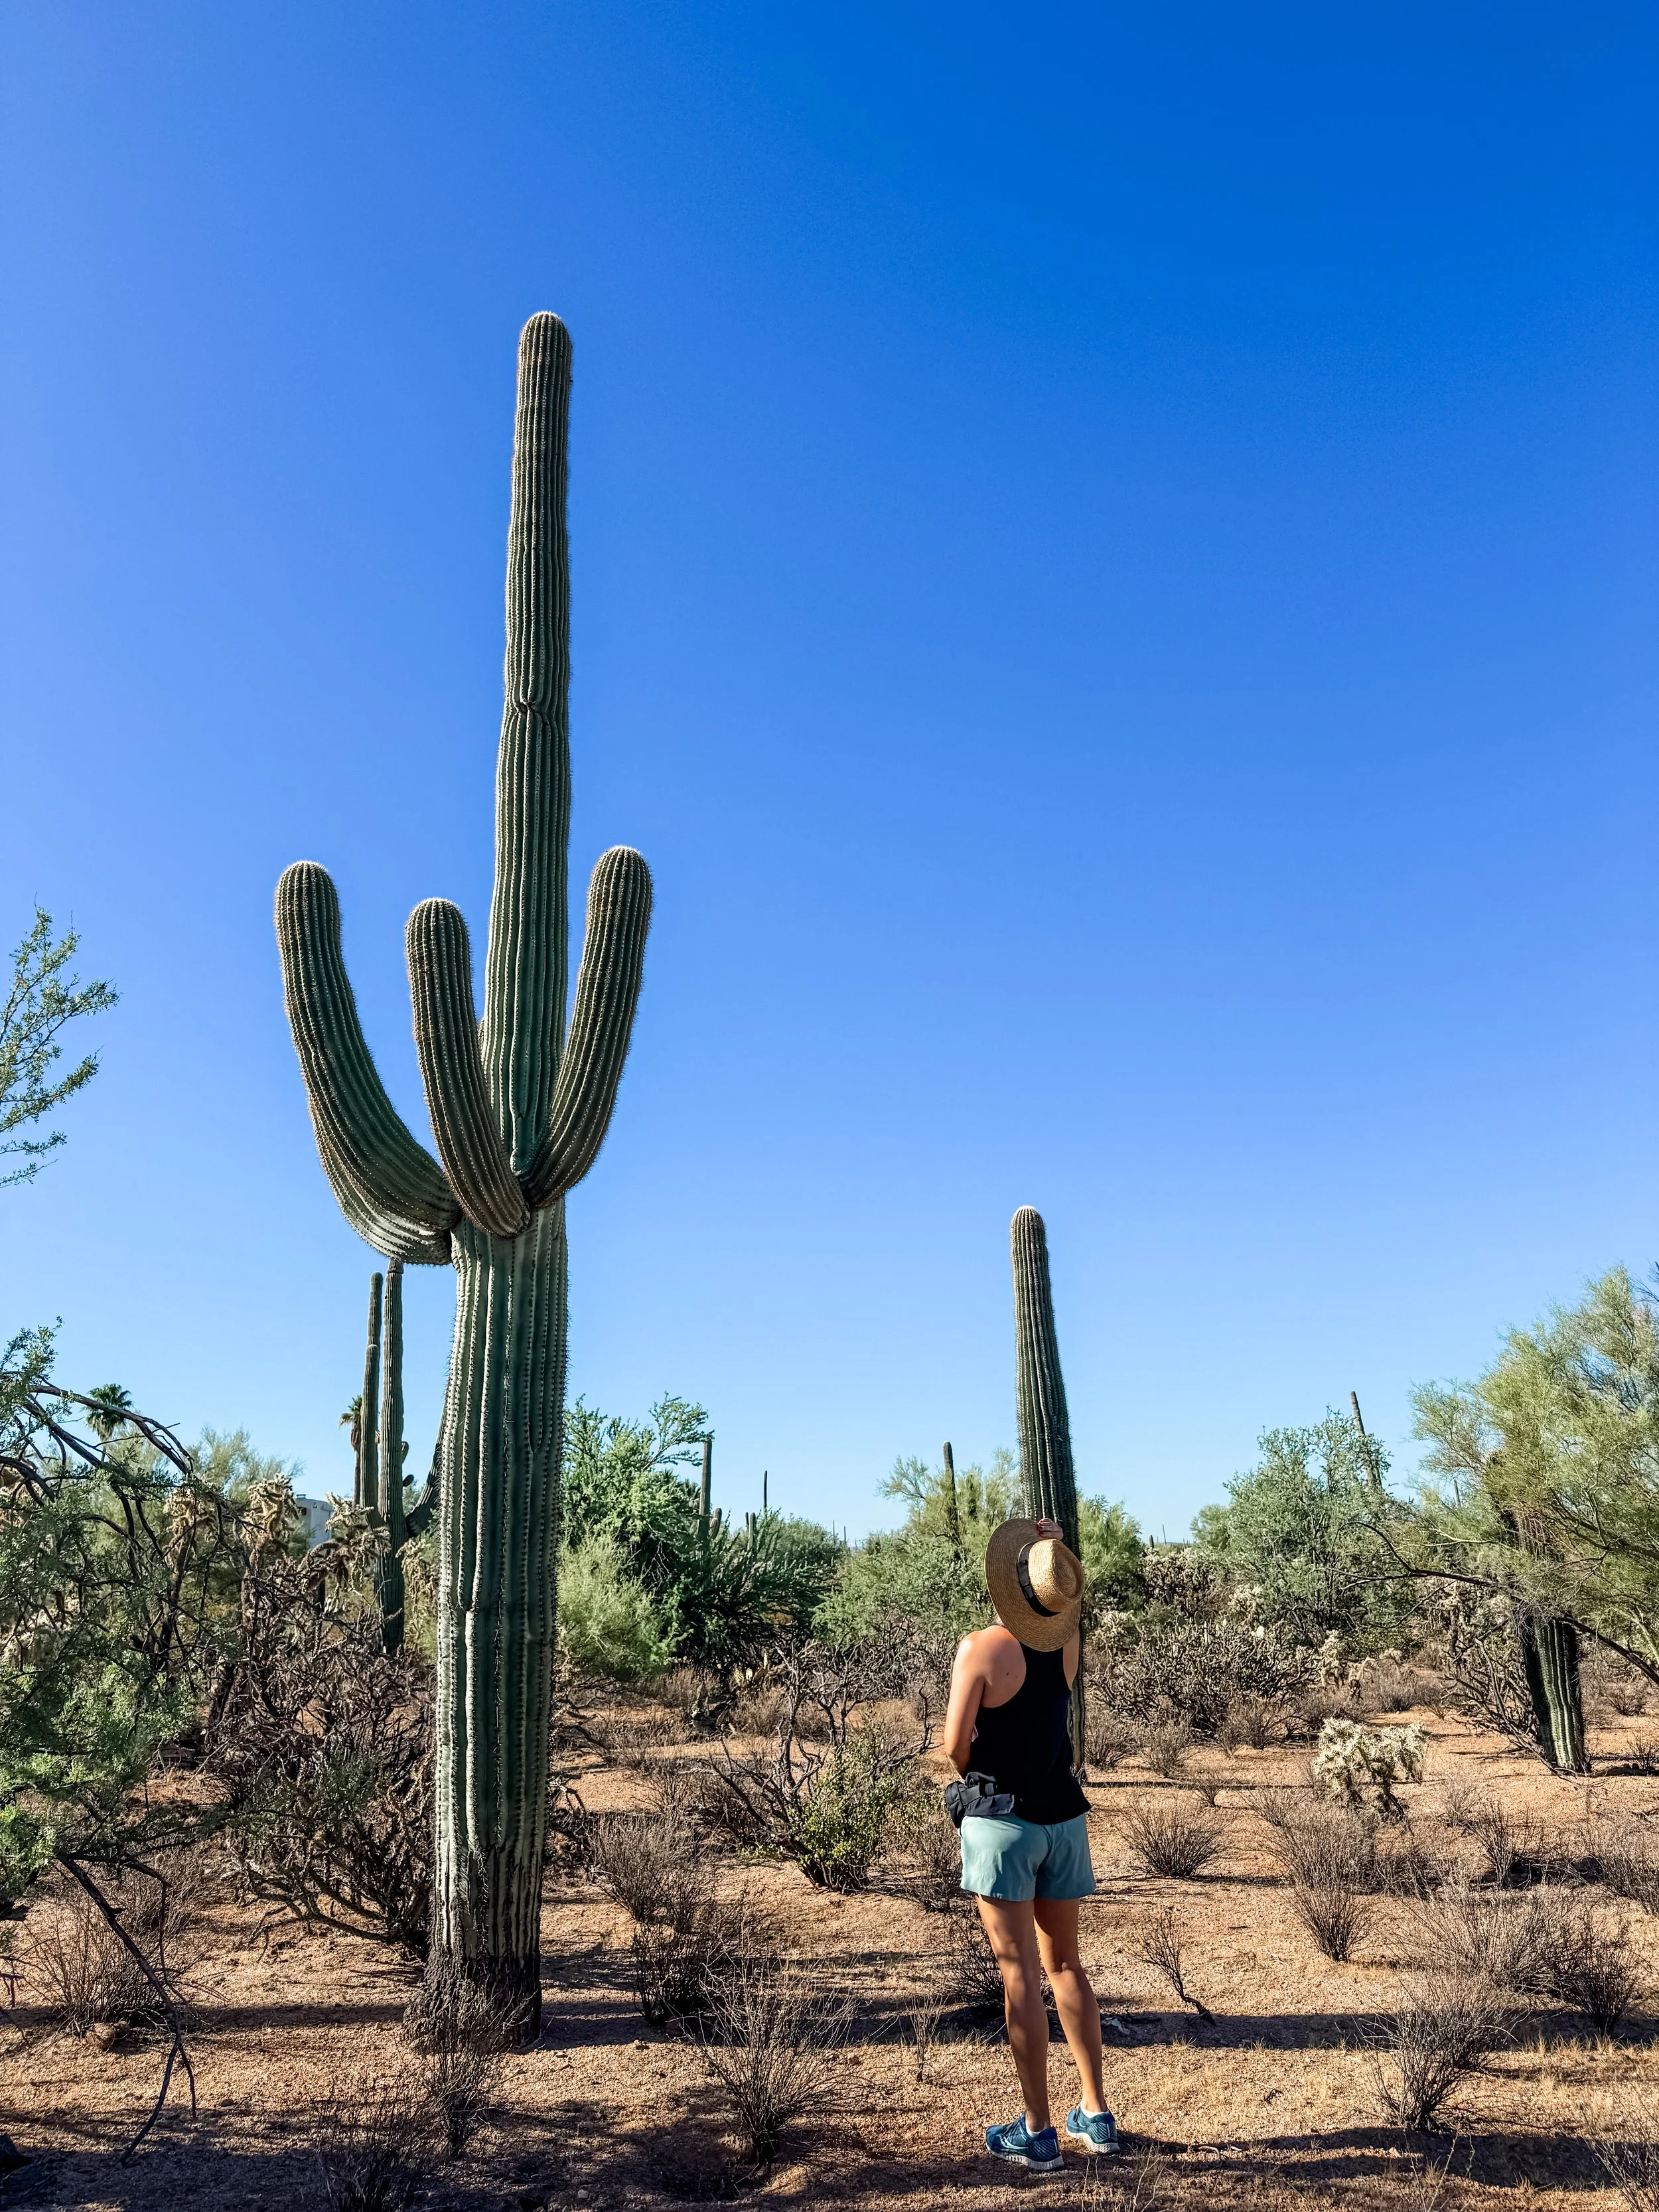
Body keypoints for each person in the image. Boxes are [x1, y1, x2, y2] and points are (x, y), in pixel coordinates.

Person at [943, 1514, 1119, 2171]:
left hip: (1004, 1823)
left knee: (1018, 1974)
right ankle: (1096, 2114)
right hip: (1063, 1819)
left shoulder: (980, 1648)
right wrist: (1050, 1545)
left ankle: (1038, 2129)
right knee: (1066, 1965)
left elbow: (954, 1745)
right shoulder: (1065, 1645)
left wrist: (974, 1782)